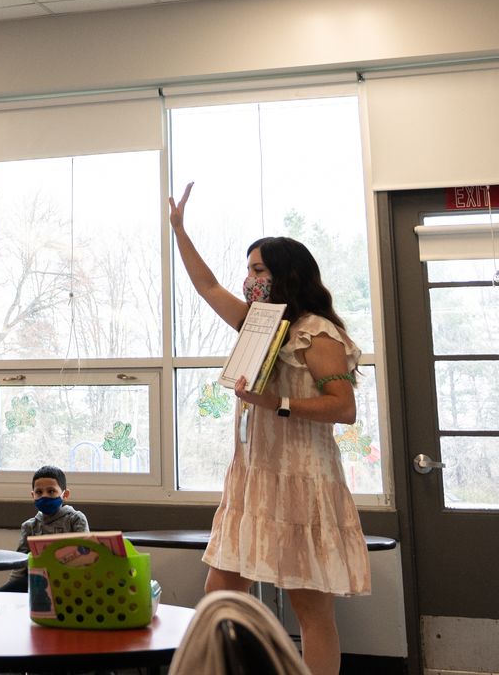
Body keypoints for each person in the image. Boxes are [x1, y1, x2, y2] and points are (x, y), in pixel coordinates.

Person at [169, 182, 371, 675]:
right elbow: (207, 286)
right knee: (220, 593)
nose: (249, 279)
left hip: (301, 479)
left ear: (287, 275)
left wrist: (275, 401)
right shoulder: (258, 325)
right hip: (255, 477)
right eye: (248, 269)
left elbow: (343, 408)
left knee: (311, 608)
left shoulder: (316, 333)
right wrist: (179, 229)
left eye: (258, 269)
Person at [0, 464, 89, 592]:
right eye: (39, 492)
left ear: (65, 494)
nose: (44, 496)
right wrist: (11, 588)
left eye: (51, 491)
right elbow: (21, 562)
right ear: (33, 495)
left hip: (71, 579)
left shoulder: (75, 519)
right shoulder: (30, 526)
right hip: (38, 580)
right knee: (2, 593)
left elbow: (86, 554)